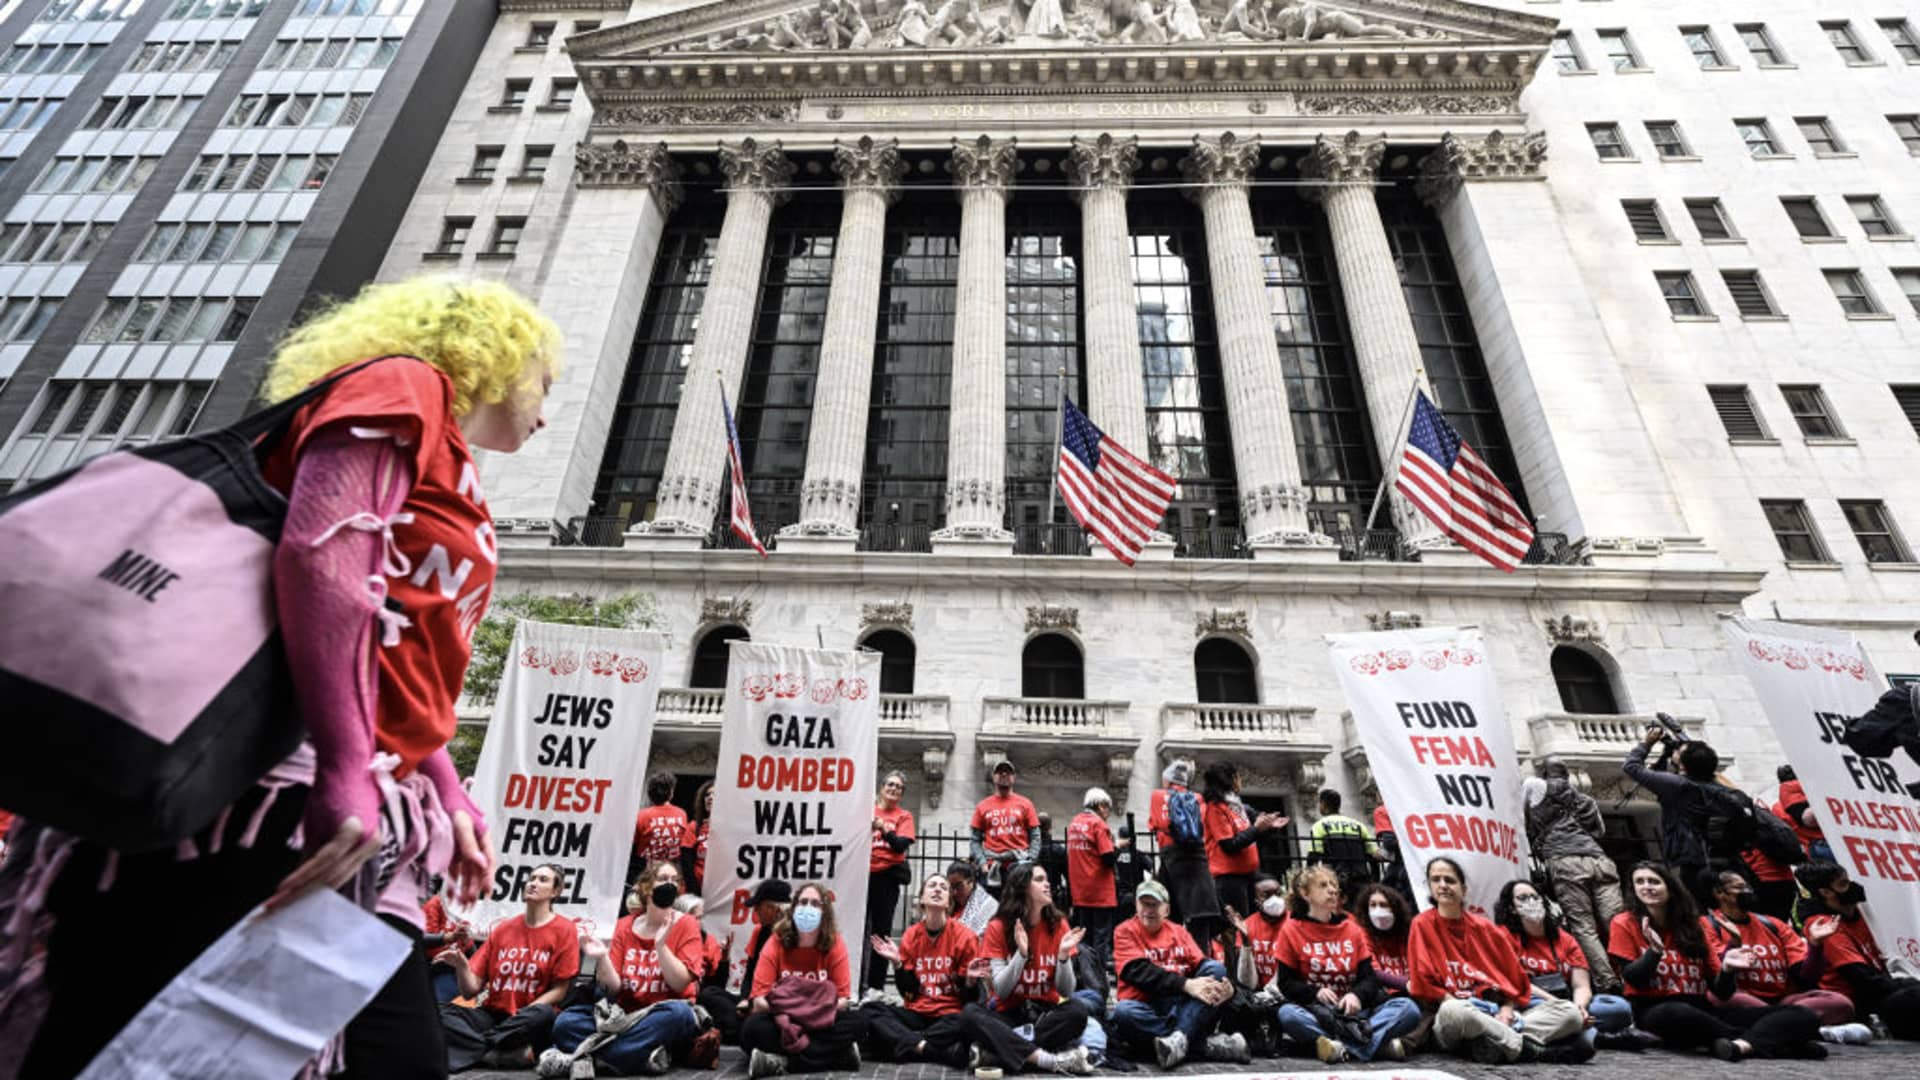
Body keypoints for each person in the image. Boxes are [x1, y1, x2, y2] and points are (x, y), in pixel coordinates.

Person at [12, 277, 555, 1078]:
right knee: (134, 1045)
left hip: (364, 812)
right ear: (496, 356)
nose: (548, 405)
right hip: (264, 789)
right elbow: (326, 557)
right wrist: (342, 765)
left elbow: (398, 651)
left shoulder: (457, 467)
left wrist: (444, 782)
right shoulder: (404, 382)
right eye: (546, 377)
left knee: (373, 1057)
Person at [1607, 862, 1824, 1060]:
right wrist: (1654, 953)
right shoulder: (1624, 922)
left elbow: (1721, 992)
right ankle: (1779, 1044)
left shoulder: (1693, 926)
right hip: (1656, 1010)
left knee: (1804, 1015)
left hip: (1704, 1009)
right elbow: (1634, 979)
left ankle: (1744, 1045)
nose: (1647, 887)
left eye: (1654, 881)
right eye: (1640, 882)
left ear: (1670, 888)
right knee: (1677, 1012)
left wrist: (1728, 968)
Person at [1407, 856, 1585, 1063]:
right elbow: (1424, 984)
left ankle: (1490, 1043)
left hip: (1496, 1012)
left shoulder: (1486, 929)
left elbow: (1514, 982)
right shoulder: (1421, 924)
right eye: (1435, 880)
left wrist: (1507, 1010)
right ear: (1429, 887)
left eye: (1450, 880)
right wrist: (1471, 1011)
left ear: (1464, 889)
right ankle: (1524, 1047)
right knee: (1454, 1011)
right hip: (1456, 1014)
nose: (1443, 885)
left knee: (1570, 1012)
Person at [552, 860, 704, 1075]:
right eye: (662, 879)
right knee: (566, 1022)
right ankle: (636, 1056)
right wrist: (602, 957)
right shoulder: (624, 926)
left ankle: (595, 1057)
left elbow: (680, 984)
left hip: (662, 1014)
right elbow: (613, 988)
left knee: (680, 1014)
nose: (669, 884)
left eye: (674, 880)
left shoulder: (687, 924)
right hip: (625, 1017)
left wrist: (660, 946)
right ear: (646, 888)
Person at [1269, 865, 1420, 1064]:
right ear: (1305, 894)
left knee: (1408, 1008)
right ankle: (1372, 1046)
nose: (1332, 890)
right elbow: (1286, 983)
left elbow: (1369, 978)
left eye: (1333, 885)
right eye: (1323, 885)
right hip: (1320, 1012)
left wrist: (1356, 995)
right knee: (1287, 1014)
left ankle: (1341, 1049)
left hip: (1357, 1013)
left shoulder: (1352, 928)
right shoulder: (1290, 930)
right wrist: (1314, 992)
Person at [437, 863, 581, 1071]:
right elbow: (470, 991)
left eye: (542, 880)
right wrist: (461, 965)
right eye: (531, 878)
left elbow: (560, 991)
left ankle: (475, 1047)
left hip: (527, 1018)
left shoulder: (565, 930)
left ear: (556, 892)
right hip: (493, 1016)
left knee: (544, 1014)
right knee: (438, 1010)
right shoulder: (504, 929)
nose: (533, 883)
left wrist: (523, 1015)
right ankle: (494, 1052)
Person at [965, 862, 1097, 1073]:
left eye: (1046, 879)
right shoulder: (998, 926)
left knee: (1078, 1011)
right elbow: (1001, 990)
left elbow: (1066, 992)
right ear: (1022, 887)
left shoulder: (1059, 924)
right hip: (1008, 1012)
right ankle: (1049, 1061)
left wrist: (1063, 957)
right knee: (970, 1014)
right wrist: (1021, 955)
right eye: (1039, 880)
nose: (1047, 885)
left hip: (1044, 1014)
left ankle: (998, 1053)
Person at [1110, 879, 1249, 1067]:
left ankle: (1178, 1039)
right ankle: (1202, 1044)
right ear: (1136, 905)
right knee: (1124, 1012)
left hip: (1183, 1004)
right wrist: (1186, 984)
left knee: (1215, 969)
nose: (1148, 910)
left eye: (1155, 905)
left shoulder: (1178, 932)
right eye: (1144, 904)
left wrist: (1228, 988)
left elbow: (1203, 966)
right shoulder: (1124, 930)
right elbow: (1137, 971)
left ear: (1166, 910)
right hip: (1147, 1005)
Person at [1699, 870, 1859, 1032]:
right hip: (1743, 997)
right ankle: (1795, 1024)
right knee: (1719, 998)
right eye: (1740, 887)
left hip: (1783, 1000)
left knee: (1840, 1002)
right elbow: (1720, 980)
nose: (1748, 891)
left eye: (1748, 887)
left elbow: (1807, 978)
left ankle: (1781, 1023)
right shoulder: (1706, 925)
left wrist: (1815, 945)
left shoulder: (1773, 924)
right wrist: (1734, 943)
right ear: (1720, 893)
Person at [742, 881, 868, 1076]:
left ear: (825, 912)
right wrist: (805, 1009)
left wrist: (802, 1010)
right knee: (751, 1030)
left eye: (815, 904)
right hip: (784, 1022)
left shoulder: (834, 943)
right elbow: (759, 1000)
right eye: (803, 902)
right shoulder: (775, 940)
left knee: (860, 1022)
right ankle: (835, 1057)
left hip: (819, 1020)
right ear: (793, 909)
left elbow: (843, 999)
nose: (808, 908)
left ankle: (783, 1063)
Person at [1492, 878, 1632, 1053]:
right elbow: (1518, 984)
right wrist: (1561, 1006)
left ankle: (1572, 1031)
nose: (1531, 901)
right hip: (1531, 1002)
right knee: (1564, 1014)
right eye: (1522, 898)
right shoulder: (1504, 936)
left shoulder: (1564, 938)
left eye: (1535, 896)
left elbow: (1581, 985)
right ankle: (1582, 1033)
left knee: (1619, 1008)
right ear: (1511, 908)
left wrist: (1579, 1007)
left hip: (1568, 1001)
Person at [1522, 757, 1626, 991]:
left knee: (1584, 926)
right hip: (1599, 860)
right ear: (1568, 775)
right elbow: (1598, 830)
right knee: (1616, 922)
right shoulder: (1586, 799)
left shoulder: (1536, 786)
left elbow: (1520, 817)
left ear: (1545, 774)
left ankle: (1608, 982)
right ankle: (1631, 974)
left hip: (1564, 860)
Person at [863, 873, 985, 1065]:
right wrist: (897, 964)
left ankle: (903, 1042)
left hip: (950, 1015)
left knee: (970, 1020)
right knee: (870, 1009)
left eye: (943, 888)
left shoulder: (966, 937)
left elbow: (969, 1000)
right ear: (922, 899)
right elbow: (908, 994)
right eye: (932, 886)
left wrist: (969, 981)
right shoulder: (911, 935)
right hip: (917, 1014)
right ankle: (929, 1048)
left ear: (948, 902)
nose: (937, 889)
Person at [1795, 861, 1920, 1040]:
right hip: (1858, 998)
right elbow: (1859, 976)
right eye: (1843, 884)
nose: (1851, 887)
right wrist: (1903, 986)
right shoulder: (1824, 924)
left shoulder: (1860, 914)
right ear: (1825, 892)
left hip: (1882, 985)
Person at [1622, 727, 1726, 906]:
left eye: (1680, 750)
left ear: (1684, 764)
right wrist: (1667, 752)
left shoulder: (1678, 785)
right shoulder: (1713, 784)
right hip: (1717, 856)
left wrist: (1647, 743)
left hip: (1688, 859)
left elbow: (1631, 767)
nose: (1676, 750)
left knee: (1696, 908)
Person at [1200, 762, 1288, 935]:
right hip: (1229, 880)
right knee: (1238, 931)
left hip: (1248, 876)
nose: (1240, 781)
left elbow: (1252, 836)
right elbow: (1229, 845)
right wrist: (1257, 828)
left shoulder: (1237, 806)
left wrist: (1269, 827)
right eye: (1237, 776)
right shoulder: (1215, 808)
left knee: (1254, 929)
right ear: (1231, 779)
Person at [699, 878, 789, 1044]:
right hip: (754, 1000)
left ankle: (741, 1031)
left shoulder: (791, 936)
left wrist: (756, 1003)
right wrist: (746, 1000)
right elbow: (750, 975)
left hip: (775, 1003)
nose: (755, 911)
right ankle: (742, 1030)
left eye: (758, 907)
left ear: (772, 908)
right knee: (709, 994)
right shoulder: (759, 931)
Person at [1149, 760, 1215, 932]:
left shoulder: (1157, 796)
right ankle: (1202, 956)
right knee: (1199, 918)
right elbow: (1204, 827)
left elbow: (1154, 824)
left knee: (1171, 916)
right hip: (1197, 858)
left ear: (1167, 780)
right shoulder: (1198, 798)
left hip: (1171, 856)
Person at [866, 770, 916, 996]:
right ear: (881, 787)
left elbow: (899, 845)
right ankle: (856, 982)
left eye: (898, 787)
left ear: (903, 794)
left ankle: (875, 986)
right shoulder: (868, 811)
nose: (893, 789)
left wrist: (883, 828)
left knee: (881, 933)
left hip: (886, 879)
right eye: (890, 785)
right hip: (862, 876)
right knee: (858, 931)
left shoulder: (904, 816)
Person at [1067, 788, 1119, 977]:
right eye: (1108, 809)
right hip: (1100, 893)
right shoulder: (1098, 825)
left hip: (1080, 892)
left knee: (1084, 939)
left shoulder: (1074, 824)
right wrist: (1117, 847)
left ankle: (1084, 975)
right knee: (1101, 939)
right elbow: (1108, 857)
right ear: (1100, 805)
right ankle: (1098, 979)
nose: (1108, 814)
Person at [972, 759, 1041, 894]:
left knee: (1018, 910)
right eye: (999, 771)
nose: (1004, 774)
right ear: (993, 777)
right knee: (992, 910)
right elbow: (974, 840)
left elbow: (1036, 836)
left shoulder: (1026, 804)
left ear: (1014, 777)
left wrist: (1030, 862)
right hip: (992, 867)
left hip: (1018, 866)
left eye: (1008, 772)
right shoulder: (982, 806)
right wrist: (982, 863)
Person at [1307, 789, 1379, 895]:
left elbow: (1313, 858)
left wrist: (1311, 883)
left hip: (1335, 882)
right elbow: (1373, 857)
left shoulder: (1319, 826)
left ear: (1323, 804)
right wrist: (1375, 882)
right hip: (1362, 881)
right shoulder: (1359, 825)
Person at [632, 771, 687, 891]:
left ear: (650, 793)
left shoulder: (641, 816)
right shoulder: (681, 814)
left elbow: (633, 847)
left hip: (647, 878)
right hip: (673, 876)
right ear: (671, 792)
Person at [1773, 766, 1829, 862]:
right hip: (1827, 843)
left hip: (1810, 848)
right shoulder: (1806, 793)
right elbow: (1808, 818)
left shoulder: (1776, 808)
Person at [1113, 820, 1153, 924]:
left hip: (1119, 896)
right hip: (1137, 894)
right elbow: (1151, 868)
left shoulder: (1115, 854)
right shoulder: (1138, 854)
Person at [947, 859, 1001, 936]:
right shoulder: (947, 904)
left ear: (971, 882)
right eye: (952, 887)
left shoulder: (989, 906)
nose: (955, 891)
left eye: (959, 886)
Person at [681, 780, 714, 894]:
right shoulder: (694, 826)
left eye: (715, 794)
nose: (710, 798)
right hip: (697, 887)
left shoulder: (730, 826)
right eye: (707, 795)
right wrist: (694, 890)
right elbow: (686, 861)